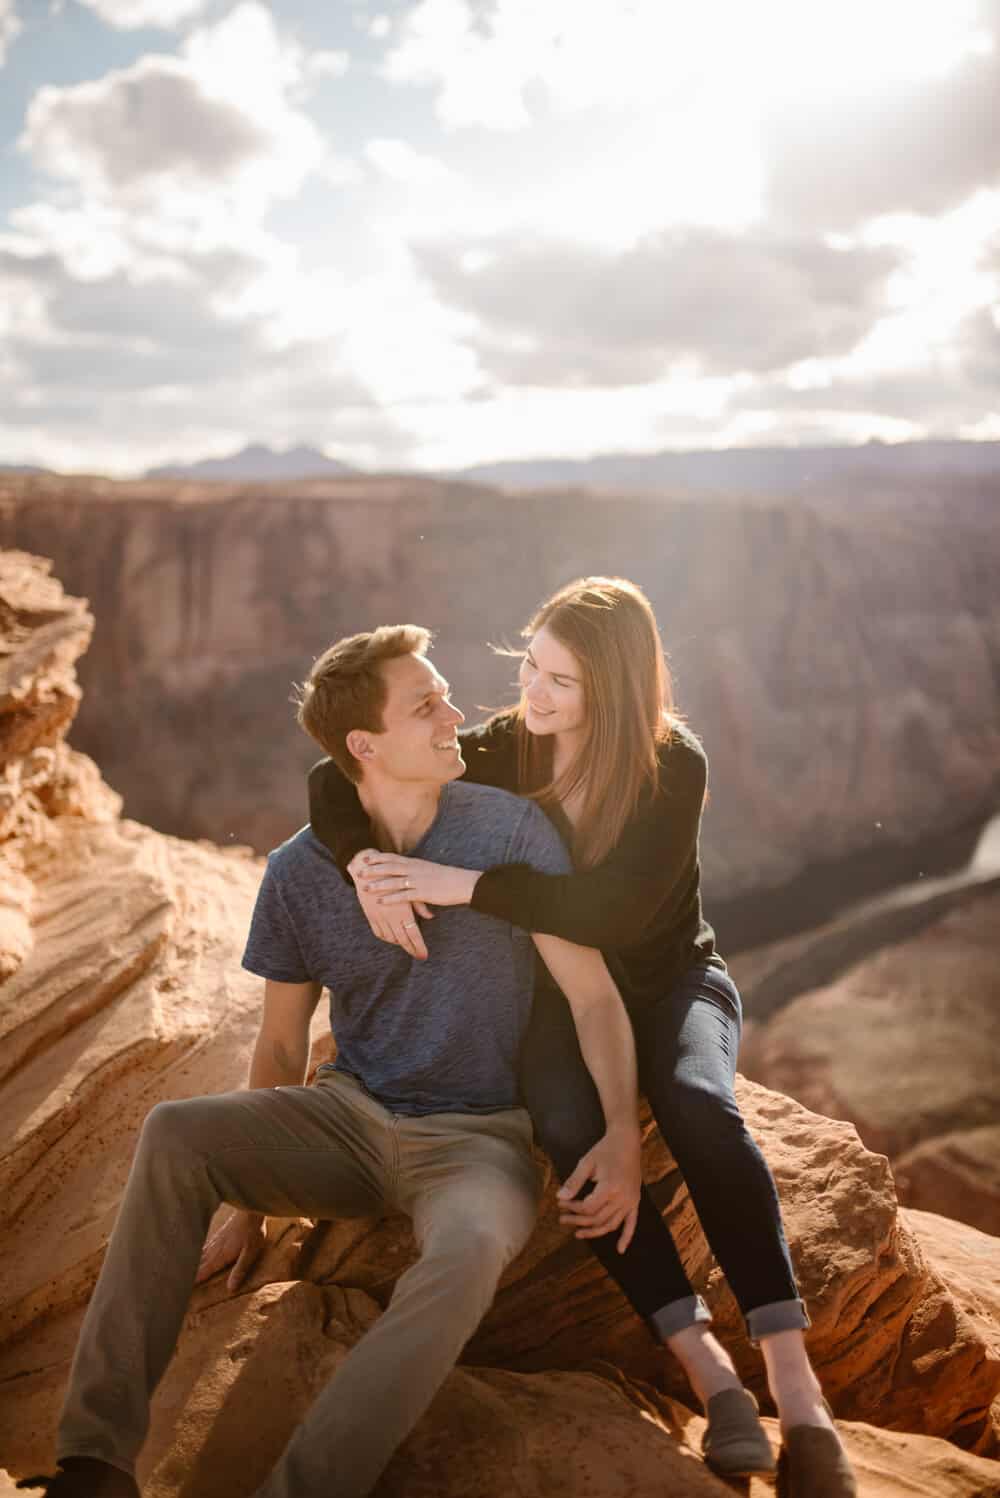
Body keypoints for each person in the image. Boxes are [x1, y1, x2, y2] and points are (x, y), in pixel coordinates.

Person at [27, 625, 641, 1498]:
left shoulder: (510, 832)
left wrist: (620, 1131)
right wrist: (249, 1205)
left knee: (468, 1251)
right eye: (427, 705)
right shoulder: (300, 873)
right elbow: (281, 1041)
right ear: (365, 745)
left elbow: (594, 996)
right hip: (345, 1121)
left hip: (478, 1140)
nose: (457, 717)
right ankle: (93, 1461)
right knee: (175, 1132)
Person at [309, 579, 857, 1498]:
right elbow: (336, 777)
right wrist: (361, 862)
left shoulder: (673, 764)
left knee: (697, 1106)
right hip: (563, 1002)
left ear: (615, 689)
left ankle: (800, 1397)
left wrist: (460, 884)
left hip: (678, 983)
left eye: (562, 680)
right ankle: (709, 1373)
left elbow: (611, 910)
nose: (535, 692)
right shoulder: (507, 746)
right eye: (531, 664)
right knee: (569, 1129)